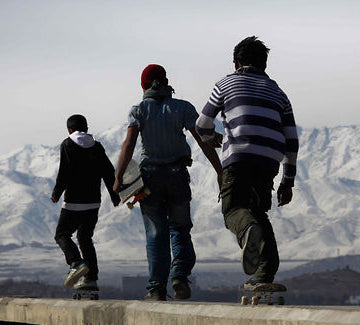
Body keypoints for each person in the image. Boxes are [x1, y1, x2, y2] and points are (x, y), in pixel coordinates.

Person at [196, 36, 299, 289]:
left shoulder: (226, 84)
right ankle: (265, 275)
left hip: (239, 156)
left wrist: (212, 138)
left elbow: (202, 124)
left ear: (236, 62)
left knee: (234, 210)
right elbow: (292, 140)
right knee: (258, 211)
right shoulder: (279, 93)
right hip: (268, 161)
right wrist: (288, 182)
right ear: (264, 64)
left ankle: (247, 231)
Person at [113, 64, 222, 301]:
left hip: (149, 178)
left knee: (156, 233)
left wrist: (118, 177)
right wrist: (219, 170)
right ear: (166, 81)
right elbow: (203, 140)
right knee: (180, 228)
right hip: (177, 176)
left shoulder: (139, 110)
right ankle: (180, 276)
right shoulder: (182, 108)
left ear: (143, 85)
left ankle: (155, 288)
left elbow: (129, 144)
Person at [51, 114, 120, 290]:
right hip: (93, 203)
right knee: (85, 238)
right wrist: (114, 195)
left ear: (69, 130)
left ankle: (76, 263)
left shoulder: (67, 144)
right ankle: (91, 279)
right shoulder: (96, 146)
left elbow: (64, 172)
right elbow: (108, 171)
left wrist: (56, 193)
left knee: (62, 234)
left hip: (73, 202)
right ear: (87, 128)